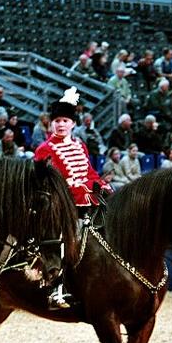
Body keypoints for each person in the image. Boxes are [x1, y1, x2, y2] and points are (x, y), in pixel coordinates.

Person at [34, 87, 110, 308]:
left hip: (85, 198)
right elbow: (42, 181)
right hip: (60, 203)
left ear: (73, 124)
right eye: (57, 120)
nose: (60, 124)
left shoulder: (80, 145)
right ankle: (57, 287)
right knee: (62, 240)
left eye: (65, 120)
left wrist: (101, 183)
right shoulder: (44, 149)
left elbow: (89, 172)